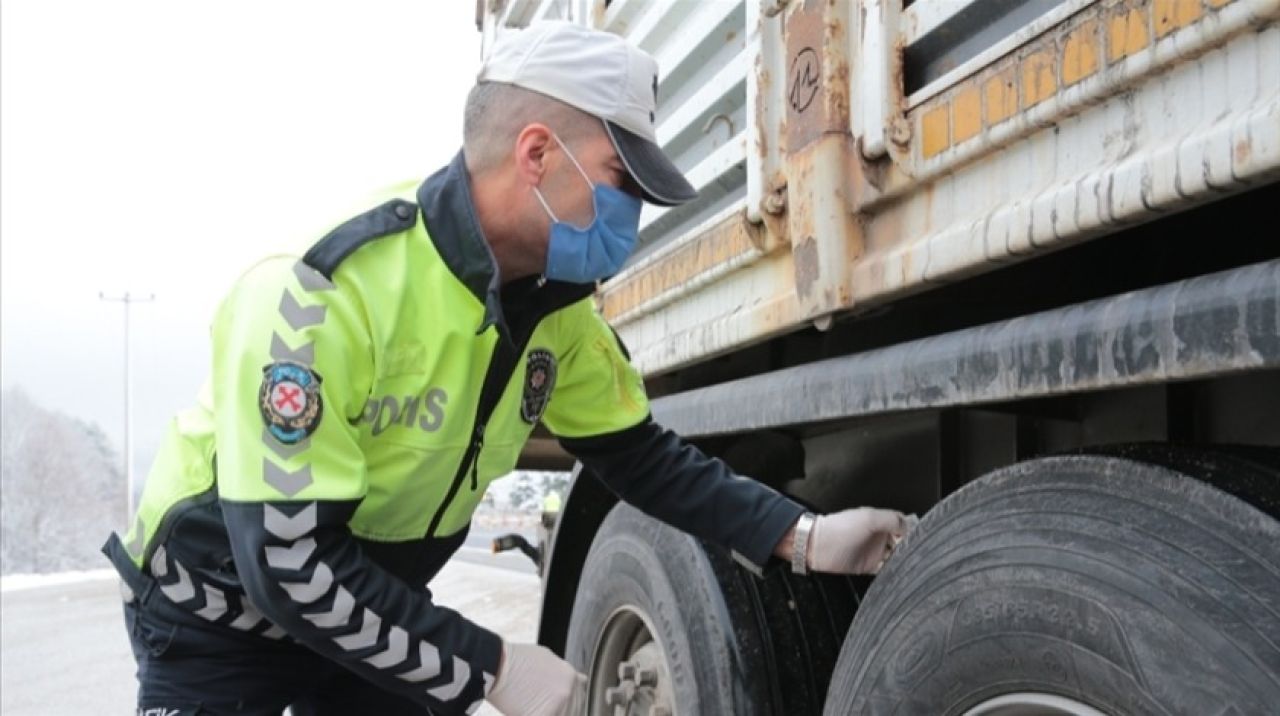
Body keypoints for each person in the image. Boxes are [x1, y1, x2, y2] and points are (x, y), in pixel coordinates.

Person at [103, 20, 908, 716]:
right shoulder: (321, 293)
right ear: (535, 154)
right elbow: (287, 564)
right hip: (216, 612)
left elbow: (646, 461)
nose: (632, 217)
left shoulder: (560, 316)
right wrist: (488, 665)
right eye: (620, 180)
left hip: (368, 612)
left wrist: (802, 538)